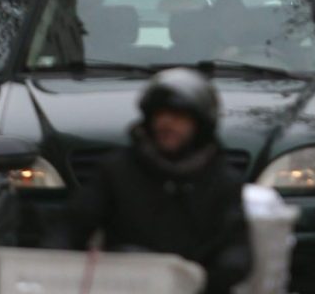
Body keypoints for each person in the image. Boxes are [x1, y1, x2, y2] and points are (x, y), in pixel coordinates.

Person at [70, 68, 252, 293]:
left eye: (179, 117)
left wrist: (209, 277)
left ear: (201, 125)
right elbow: (72, 226)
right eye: (161, 115)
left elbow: (237, 246)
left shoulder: (222, 180)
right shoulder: (116, 170)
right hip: (125, 285)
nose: (167, 124)